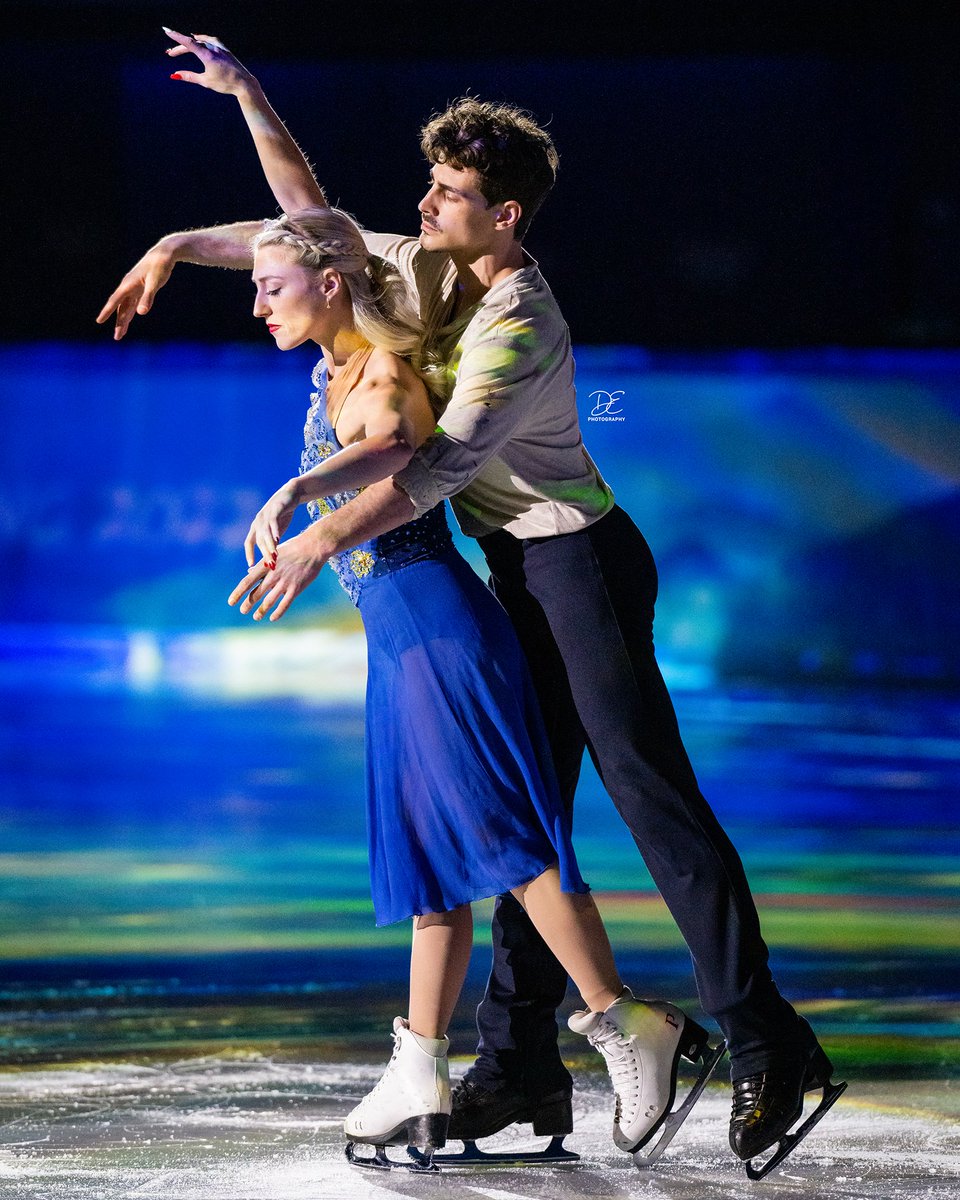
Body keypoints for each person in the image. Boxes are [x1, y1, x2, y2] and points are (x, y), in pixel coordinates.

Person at [98, 31, 844, 1174]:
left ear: (504, 217)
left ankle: (768, 1041)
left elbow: (430, 467)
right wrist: (228, 128)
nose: (426, 202)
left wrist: (314, 530)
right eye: (433, 186)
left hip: (578, 562)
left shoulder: (519, 322)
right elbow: (303, 223)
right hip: (509, 572)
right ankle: (520, 1071)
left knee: (648, 797)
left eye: (450, 193)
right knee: (520, 818)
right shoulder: (434, 264)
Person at [230, 203, 712, 1166]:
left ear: (333, 283)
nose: (255, 306)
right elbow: (302, 216)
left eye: (269, 288)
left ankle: (625, 1022)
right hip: (399, 642)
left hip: (442, 634)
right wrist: (238, 105)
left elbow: (400, 449)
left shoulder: (382, 372)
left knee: (505, 842)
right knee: (432, 863)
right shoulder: (333, 368)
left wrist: (300, 496)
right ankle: (421, 1068)